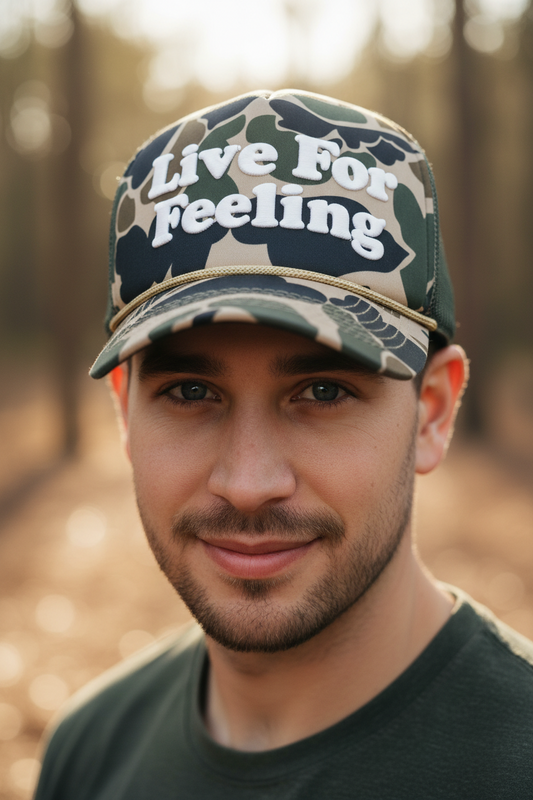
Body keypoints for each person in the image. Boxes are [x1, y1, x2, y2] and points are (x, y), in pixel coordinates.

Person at [34, 90, 533, 799]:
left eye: (323, 392)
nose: (247, 483)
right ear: (124, 412)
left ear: (431, 413)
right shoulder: (89, 753)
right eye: (190, 392)